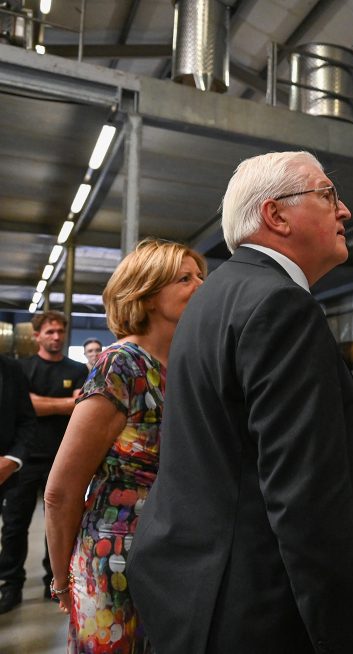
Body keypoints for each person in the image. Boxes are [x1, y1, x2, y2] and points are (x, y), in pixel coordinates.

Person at [126, 151, 353, 653]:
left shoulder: (213, 298)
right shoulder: (279, 305)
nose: (345, 211)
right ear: (276, 215)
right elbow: (308, 504)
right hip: (254, 606)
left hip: (193, 589)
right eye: (327, 194)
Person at [44, 239, 206, 652]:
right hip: (115, 560)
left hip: (172, 556)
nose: (201, 285)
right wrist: (62, 580)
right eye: (185, 278)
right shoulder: (122, 365)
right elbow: (60, 492)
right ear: (148, 294)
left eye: (201, 276)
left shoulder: (184, 366)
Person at [0, 311, 88, 614]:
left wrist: (45, 404)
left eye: (60, 331)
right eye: (49, 332)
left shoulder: (77, 369)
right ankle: (11, 583)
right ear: (36, 335)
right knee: (14, 525)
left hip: (63, 458)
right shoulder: (21, 368)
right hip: (25, 459)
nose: (56, 337)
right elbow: (29, 408)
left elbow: (83, 408)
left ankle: (56, 579)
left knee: (61, 525)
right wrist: (65, 403)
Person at [0, 355, 37, 606]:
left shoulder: (12, 368)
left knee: (13, 528)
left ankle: (10, 585)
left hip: (5, 471)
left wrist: (12, 460)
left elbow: (27, 419)